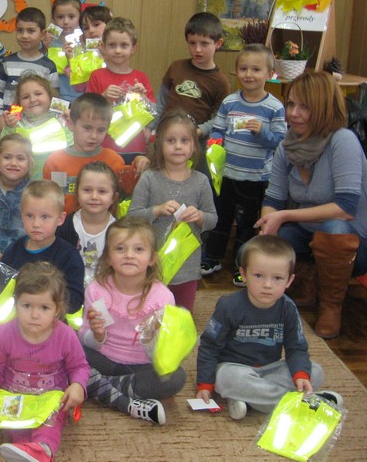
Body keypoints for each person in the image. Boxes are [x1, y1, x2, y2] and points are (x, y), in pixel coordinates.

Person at [255, 71, 367, 339]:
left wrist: (284, 215)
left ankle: (331, 305)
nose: (294, 113)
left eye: (305, 106)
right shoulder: (287, 146)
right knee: (252, 252)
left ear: (324, 108)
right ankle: (309, 282)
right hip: (308, 234)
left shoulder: (342, 140)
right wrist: (268, 228)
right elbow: (273, 199)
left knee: (334, 228)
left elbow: (345, 208)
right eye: (291, 104)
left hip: (354, 242)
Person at [196, 235, 342, 419]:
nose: (267, 285)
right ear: (243, 274)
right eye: (258, 276)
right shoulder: (228, 306)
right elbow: (209, 346)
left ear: (289, 281)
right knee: (227, 378)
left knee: (315, 371)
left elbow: (296, 347)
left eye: (277, 278)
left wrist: (301, 375)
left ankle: (251, 401)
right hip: (234, 368)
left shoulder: (288, 308)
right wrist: (205, 384)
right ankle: (300, 402)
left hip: (270, 369)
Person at [0, 180, 84, 377]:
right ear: (21, 216)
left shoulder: (69, 256)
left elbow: (75, 301)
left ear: (60, 218)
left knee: (70, 362)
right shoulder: (14, 250)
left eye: (45, 217)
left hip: (52, 327)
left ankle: (30, 366)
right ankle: (24, 366)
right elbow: (1, 286)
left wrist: (47, 304)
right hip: (16, 325)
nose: (36, 224)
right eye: (30, 216)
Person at [0, 261, 89, 462]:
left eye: (44, 308)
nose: (34, 315)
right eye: (27, 305)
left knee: (50, 424)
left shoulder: (65, 335)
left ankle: (43, 450)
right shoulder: (4, 333)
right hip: (15, 396)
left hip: (51, 398)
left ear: (57, 310)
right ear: (16, 303)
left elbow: (80, 366)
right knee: (13, 425)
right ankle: (24, 449)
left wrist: (77, 385)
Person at [82, 217, 185, 425]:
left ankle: (99, 386)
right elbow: (84, 338)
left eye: (138, 249)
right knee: (65, 347)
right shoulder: (96, 289)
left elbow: (162, 354)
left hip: (141, 366)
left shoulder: (162, 297)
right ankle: (124, 394)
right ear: (108, 257)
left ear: (152, 258)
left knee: (176, 377)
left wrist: (162, 340)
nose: (129, 255)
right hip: (102, 359)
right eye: (120, 249)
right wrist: (98, 335)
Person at [204, 44, 286, 283]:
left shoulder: (274, 107)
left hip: (255, 178)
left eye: (256, 69)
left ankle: (244, 265)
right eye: (243, 69)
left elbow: (280, 142)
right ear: (236, 71)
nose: (248, 74)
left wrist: (262, 133)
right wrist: (215, 141)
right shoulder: (230, 102)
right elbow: (218, 129)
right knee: (220, 217)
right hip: (227, 174)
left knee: (247, 224)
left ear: (270, 74)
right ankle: (213, 257)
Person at [128, 111, 217, 312]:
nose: (178, 146)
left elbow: (213, 219)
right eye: (171, 140)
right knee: (150, 315)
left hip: (187, 264)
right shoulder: (149, 178)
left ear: (194, 146)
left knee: (182, 315)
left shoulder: (201, 181)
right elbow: (132, 216)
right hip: (151, 264)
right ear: (159, 144)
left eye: (184, 140)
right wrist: (156, 210)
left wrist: (200, 216)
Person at [86, 18, 156, 166]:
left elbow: (153, 112)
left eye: (124, 45)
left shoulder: (141, 78)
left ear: (134, 48)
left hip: (135, 146)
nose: (118, 50)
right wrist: (103, 97)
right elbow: (86, 111)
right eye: (112, 45)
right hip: (103, 146)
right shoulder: (97, 76)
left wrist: (143, 97)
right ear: (103, 46)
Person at [43, 92, 125, 213]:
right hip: (64, 223)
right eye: (87, 128)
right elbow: (51, 200)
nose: (93, 136)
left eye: (101, 130)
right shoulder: (56, 162)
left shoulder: (114, 161)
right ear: (71, 124)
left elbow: (124, 195)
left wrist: (139, 163)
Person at [158, 12, 230, 140]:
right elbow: (161, 101)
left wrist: (200, 130)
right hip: (166, 136)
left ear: (218, 43)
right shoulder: (176, 66)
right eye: (192, 43)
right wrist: (152, 127)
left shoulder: (221, 82)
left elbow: (220, 118)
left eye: (204, 43)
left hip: (194, 141)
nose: (197, 49)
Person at [0, 7, 60, 132]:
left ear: (42, 34)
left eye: (31, 31)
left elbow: (54, 97)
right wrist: (0, 117)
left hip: (39, 127)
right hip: (10, 124)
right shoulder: (7, 63)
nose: (24, 36)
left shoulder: (48, 66)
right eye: (20, 30)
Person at [0, 75, 73, 179]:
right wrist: (9, 128)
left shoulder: (62, 119)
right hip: (26, 182)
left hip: (59, 180)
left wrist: (72, 124)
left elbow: (75, 147)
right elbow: (2, 151)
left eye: (38, 94)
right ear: (19, 103)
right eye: (25, 97)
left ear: (50, 96)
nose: (33, 99)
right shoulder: (16, 124)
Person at [56, 161, 118, 286]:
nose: (94, 196)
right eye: (87, 190)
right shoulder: (63, 227)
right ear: (77, 194)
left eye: (102, 191)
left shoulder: (119, 231)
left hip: (106, 292)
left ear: (114, 197)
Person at [0, 134, 33, 254]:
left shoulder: (34, 193)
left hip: (24, 253)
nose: (13, 163)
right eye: (7, 157)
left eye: (20, 158)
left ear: (29, 163)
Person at [44, 0, 84, 101]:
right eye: (60, 17)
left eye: (71, 17)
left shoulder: (85, 42)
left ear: (80, 17)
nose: (66, 22)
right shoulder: (48, 41)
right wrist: (44, 49)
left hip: (81, 98)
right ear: (53, 18)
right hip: (54, 97)